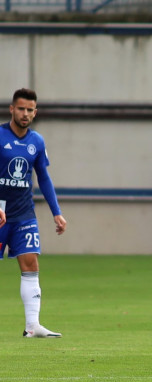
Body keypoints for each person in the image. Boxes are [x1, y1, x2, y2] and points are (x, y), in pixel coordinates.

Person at [0, 88, 67, 338]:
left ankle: (32, 326)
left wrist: (56, 213)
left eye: (30, 110)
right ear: (12, 109)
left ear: (35, 112)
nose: (25, 113)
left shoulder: (37, 141)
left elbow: (44, 178)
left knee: (31, 264)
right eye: (21, 108)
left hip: (24, 214)